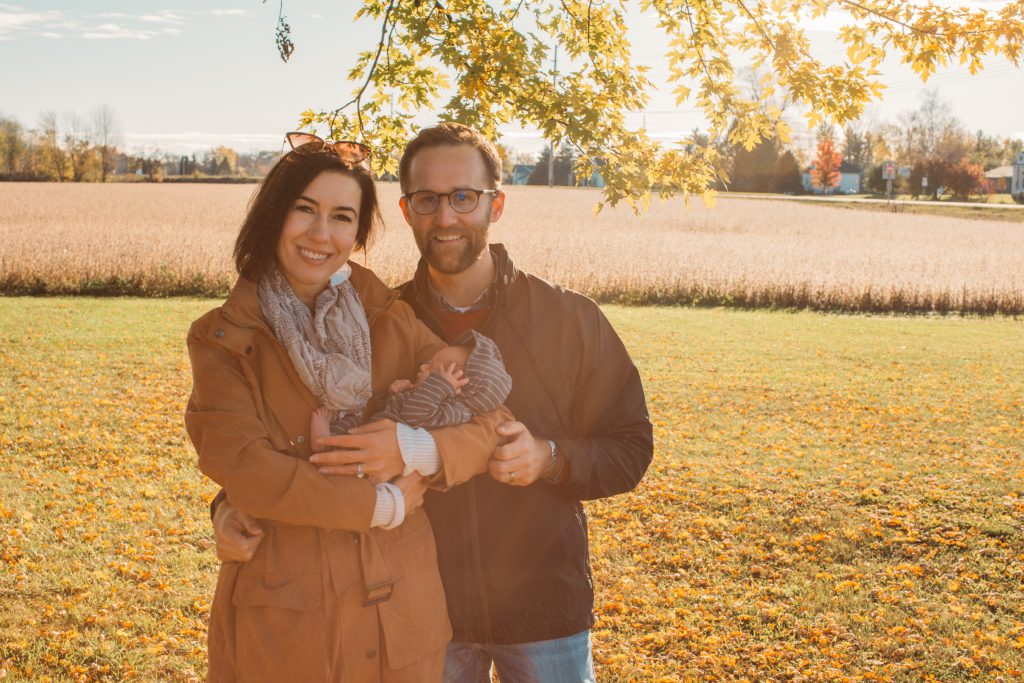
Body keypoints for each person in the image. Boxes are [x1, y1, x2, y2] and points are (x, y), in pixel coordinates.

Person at [214, 123, 653, 682]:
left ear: (496, 205)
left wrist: (550, 458)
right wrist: (227, 505)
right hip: (419, 610)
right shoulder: (375, 323)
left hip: (546, 613)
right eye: (428, 200)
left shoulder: (570, 319)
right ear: (406, 209)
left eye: (464, 197)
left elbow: (632, 447)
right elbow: (290, 441)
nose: (446, 217)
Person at [185, 132, 512, 683]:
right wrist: (380, 505)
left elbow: (491, 418)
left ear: (357, 232)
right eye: (304, 210)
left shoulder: (387, 317)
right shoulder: (223, 339)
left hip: (402, 615)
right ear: (272, 216)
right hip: (289, 623)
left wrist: (414, 447)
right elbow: (248, 472)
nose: (321, 234)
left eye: (342, 217)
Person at [310, 330, 512, 443]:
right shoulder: (430, 398)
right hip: (374, 427)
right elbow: (397, 410)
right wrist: (392, 394)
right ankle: (330, 438)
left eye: (432, 370)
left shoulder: (454, 413)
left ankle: (324, 444)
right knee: (354, 421)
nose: (423, 366)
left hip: (377, 445)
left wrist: (438, 387)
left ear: (454, 389)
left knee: (354, 446)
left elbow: (415, 416)